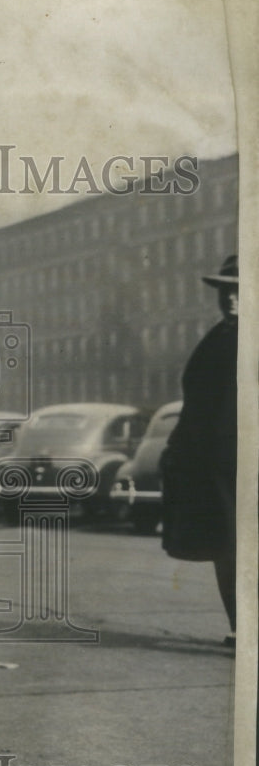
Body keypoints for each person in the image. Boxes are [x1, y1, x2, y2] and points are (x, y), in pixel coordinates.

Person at [161, 255, 238, 647]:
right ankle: (241, 628)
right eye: (226, 290)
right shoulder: (220, 336)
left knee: (237, 546)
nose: (231, 299)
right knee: (226, 546)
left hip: (240, 463)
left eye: (241, 291)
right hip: (217, 464)